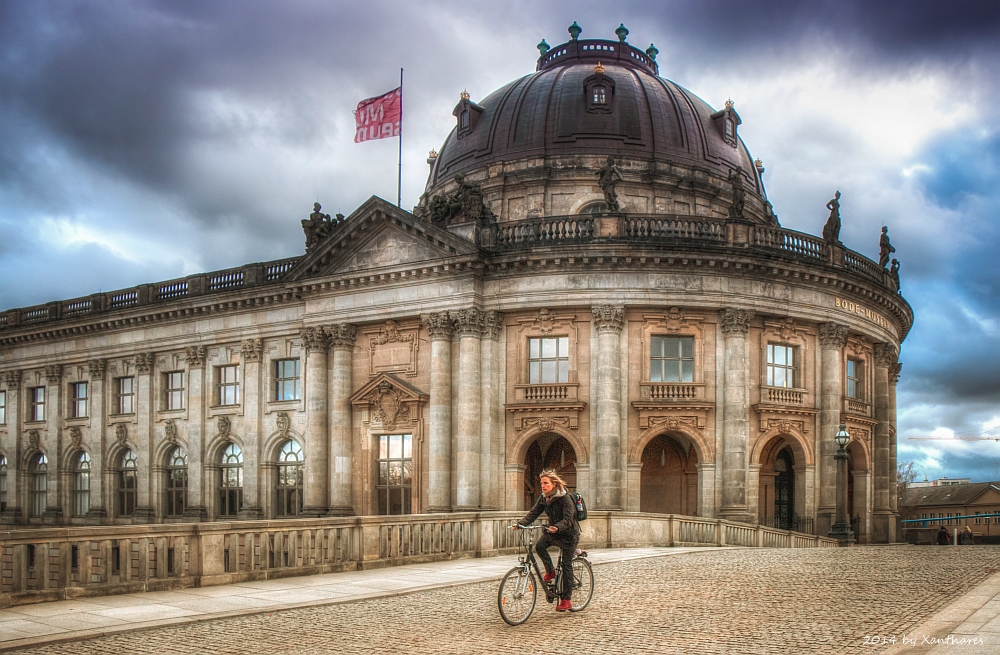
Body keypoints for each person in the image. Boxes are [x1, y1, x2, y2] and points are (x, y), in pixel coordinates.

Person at [515, 469, 581, 612]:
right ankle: (550, 571)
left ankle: (566, 599)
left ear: (554, 484)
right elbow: (534, 512)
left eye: (545, 483)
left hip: (569, 534)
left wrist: (557, 527)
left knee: (566, 564)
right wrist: (521, 523)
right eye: (541, 483)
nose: (542, 486)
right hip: (554, 531)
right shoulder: (544, 498)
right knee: (539, 546)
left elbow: (568, 520)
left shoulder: (565, 498)